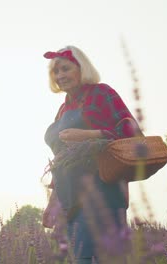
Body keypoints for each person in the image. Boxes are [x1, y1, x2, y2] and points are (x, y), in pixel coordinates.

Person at [42, 46, 142, 263]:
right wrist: (53, 201)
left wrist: (89, 134)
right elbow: (62, 158)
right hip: (70, 203)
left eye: (65, 69)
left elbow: (132, 135)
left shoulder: (102, 93)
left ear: (81, 68)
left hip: (101, 196)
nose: (60, 76)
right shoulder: (63, 109)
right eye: (55, 72)